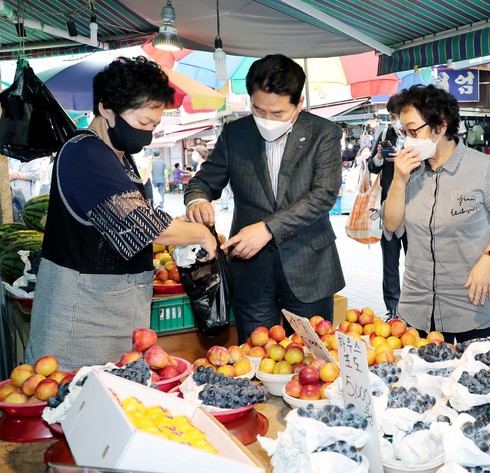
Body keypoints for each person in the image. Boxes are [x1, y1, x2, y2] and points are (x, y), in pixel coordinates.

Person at [25, 56, 218, 370]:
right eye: (142, 123)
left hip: (114, 311)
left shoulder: (118, 156)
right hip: (80, 319)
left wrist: (180, 226)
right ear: (106, 108)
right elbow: (139, 224)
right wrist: (199, 234)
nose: (148, 134)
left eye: (154, 125)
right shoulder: (85, 153)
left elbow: (129, 215)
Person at [185, 54, 345, 342]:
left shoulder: (324, 133)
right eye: (259, 110)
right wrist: (197, 200)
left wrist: (268, 229)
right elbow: (203, 182)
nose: (267, 120)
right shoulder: (236, 134)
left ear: (299, 103)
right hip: (251, 272)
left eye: (278, 113)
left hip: (309, 267)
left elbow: (323, 196)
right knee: (254, 356)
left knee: (312, 358)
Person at [383, 85, 490, 344]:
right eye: (404, 132)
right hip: (419, 303)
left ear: (441, 126)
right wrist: (399, 180)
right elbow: (391, 225)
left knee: (472, 367)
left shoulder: (482, 167)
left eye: (413, 131)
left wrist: (489, 260)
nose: (408, 139)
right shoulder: (409, 170)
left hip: (472, 299)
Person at [367, 94, 408, 320]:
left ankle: (411, 307)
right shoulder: (385, 134)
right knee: (390, 263)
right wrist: (380, 157)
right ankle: (393, 309)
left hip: (414, 209)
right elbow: (372, 167)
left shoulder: (418, 136)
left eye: (398, 115)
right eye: (392, 116)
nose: (396, 121)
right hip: (388, 208)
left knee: (414, 262)